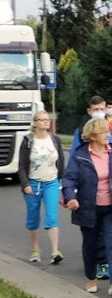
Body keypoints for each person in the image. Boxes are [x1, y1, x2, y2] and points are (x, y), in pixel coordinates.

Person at [62, 118, 112, 298]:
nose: (108, 136)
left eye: (108, 132)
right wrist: (70, 198)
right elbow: (69, 179)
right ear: (92, 136)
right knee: (90, 245)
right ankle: (91, 278)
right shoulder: (80, 156)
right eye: (104, 132)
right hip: (88, 208)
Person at [71, 95, 112, 280]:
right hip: (90, 191)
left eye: (103, 108)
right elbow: (75, 159)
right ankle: (98, 264)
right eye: (96, 109)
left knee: (111, 236)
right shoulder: (83, 132)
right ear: (90, 111)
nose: (100, 112)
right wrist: (70, 189)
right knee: (94, 235)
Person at [19, 111, 65, 264]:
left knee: (52, 216)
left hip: (51, 182)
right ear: (35, 122)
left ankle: (55, 251)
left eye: (48, 120)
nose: (46, 122)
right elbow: (22, 166)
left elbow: (61, 162)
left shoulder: (54, 140)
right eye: (42, 120)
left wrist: (61, 181)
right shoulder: (28, 141)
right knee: (33, 218)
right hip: (33, 184)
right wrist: (25, 184)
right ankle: (35, 250)